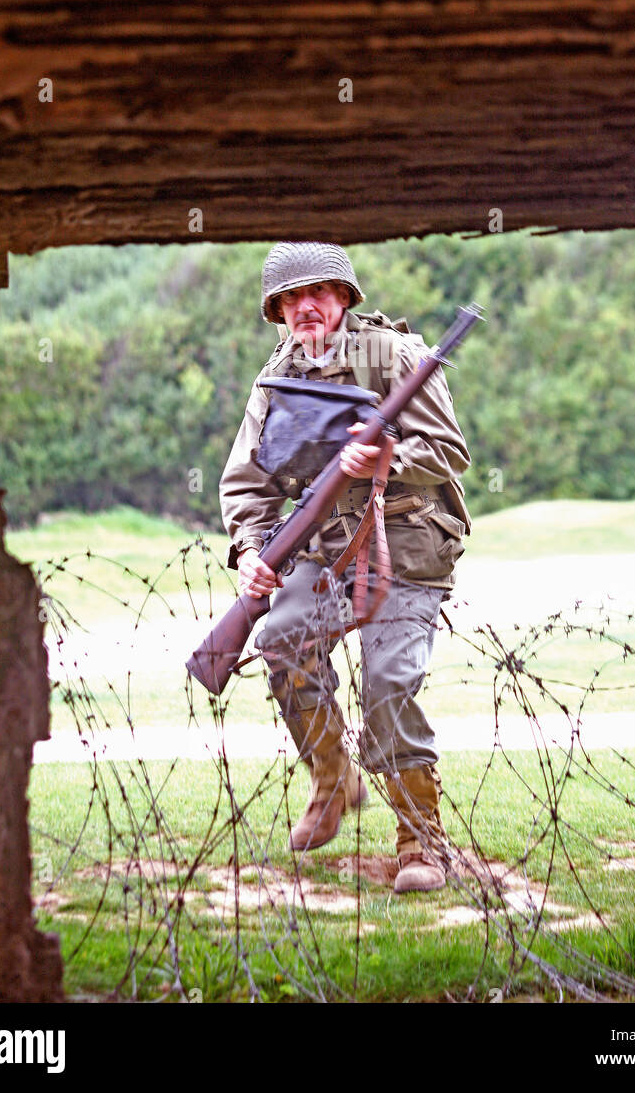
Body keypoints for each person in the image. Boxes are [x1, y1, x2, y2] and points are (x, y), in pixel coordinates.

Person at [219, 242, 471, 893]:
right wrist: (251, 551)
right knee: (280, 639)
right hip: (323, 546)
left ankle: (421, 841)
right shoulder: (277, 377)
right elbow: (247, 482)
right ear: (276, 309)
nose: (306, 306)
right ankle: (334, 782)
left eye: (320, 293)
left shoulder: (398, 357)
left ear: (345, 299)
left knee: (388, 682)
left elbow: (449, 452)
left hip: (409, 534)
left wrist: (386, 455)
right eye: (292, 298)